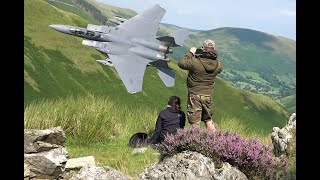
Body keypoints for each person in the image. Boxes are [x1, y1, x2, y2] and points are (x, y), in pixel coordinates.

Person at [178, 39, 223, 131]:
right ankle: (214, 141)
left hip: (194, 94)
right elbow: (220, 68)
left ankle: (195, 142)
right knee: (208, 120)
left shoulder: (195, 62)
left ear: (203, 48)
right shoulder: (218, 65)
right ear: (214, 49)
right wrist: (213, 56)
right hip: (207, 96)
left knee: (195, 122)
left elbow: (181, 63)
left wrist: (191, 53)